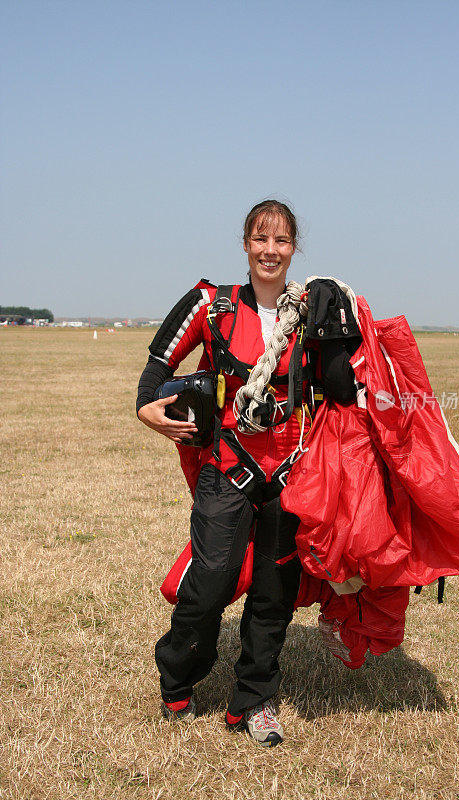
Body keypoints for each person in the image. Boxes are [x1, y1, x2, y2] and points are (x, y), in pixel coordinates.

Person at [136, 200, 358, 746]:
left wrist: (340, 325)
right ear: (245, 243)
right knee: (208, 586)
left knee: (273, 594)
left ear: (293, 248)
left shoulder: (311, 310)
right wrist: (146, 406)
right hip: (227, 464)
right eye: (261, 239)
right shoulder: (213, 307)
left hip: (291, 473)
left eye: (281, 241)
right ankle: (178, 679)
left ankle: (253, 701)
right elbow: (157, 366)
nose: (270, 250)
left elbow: (345, 384)